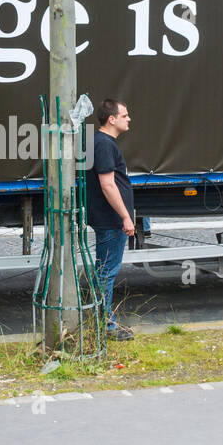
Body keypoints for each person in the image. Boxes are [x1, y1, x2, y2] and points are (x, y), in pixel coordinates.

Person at [86, 98, 135, 340]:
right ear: (112, 119)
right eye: (125, 115)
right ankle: (104, 326)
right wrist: (125, 216)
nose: (129, 119)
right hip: (110, 219)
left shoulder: (100, 142)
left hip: (107, 218)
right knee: (106, 272)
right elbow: (108, 184)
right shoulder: (104, 144)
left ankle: (101, 321)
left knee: (104, 270)